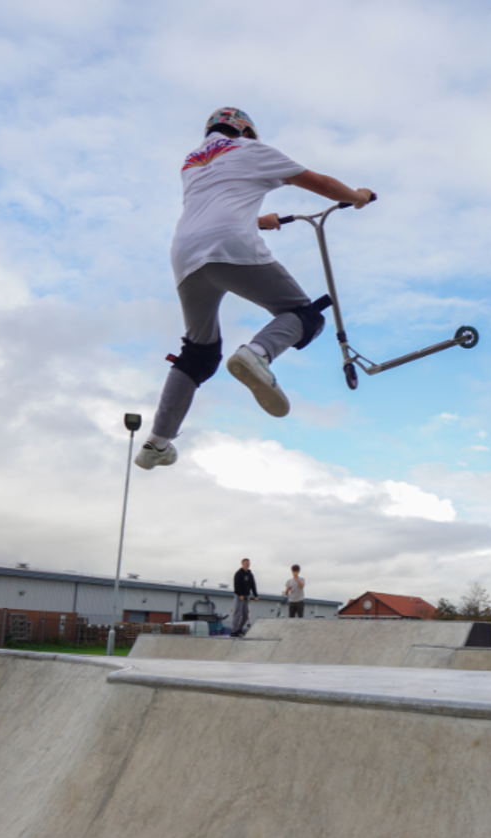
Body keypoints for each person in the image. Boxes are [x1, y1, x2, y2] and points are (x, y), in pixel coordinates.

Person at [135, 106, 374, 470]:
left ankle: (157, 443)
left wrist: (260, 220)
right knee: (303, 315)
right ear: (245, 130)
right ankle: (258, 353)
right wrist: (356, 196)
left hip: (186, 256)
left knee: (198, 354)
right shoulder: (252, 150)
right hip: (230, 247)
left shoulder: (192, 164)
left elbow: (215, 205)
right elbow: (322, 184)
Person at [231, 557, 258, 637]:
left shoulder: (250, 574)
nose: (247, 565)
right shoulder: (239, 574)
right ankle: (233, 631)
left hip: (246, 595)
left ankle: (239, 629)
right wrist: (240, 595)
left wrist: (255, 595)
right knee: (238, 613)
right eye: (246, 564)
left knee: (246, 615)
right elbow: (236, 585)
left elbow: (253, 585)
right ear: (242, 564)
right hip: (239, 596)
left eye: (248, 564)